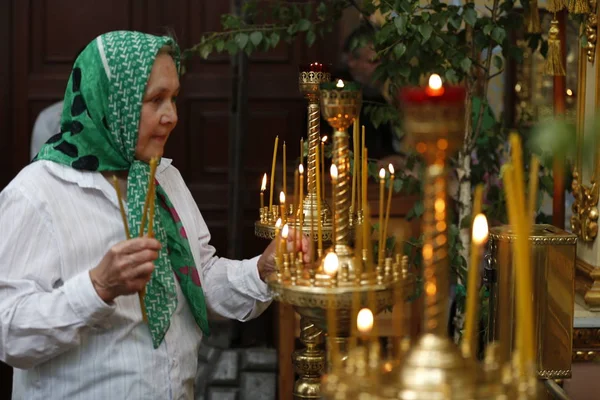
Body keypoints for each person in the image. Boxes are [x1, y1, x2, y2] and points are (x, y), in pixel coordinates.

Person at [0, 31, 309, 399]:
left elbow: (199, 279)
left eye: (174, 98)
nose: (173, 116)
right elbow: (10, 334)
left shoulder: (163, 177)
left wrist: (260, 271)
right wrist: (97, 288)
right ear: (112, 102)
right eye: (155, 100)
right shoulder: (36, 194)